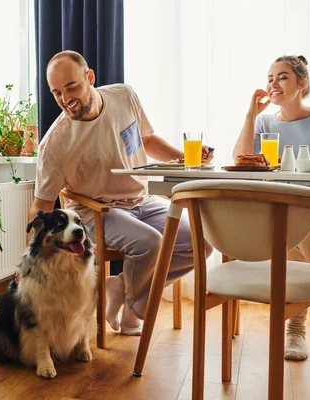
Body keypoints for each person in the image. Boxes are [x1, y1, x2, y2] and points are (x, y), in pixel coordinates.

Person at [28, 50, 213, 336]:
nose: (66, 99)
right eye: (56, 93)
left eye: (72, 87)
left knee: (202, 243)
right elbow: (40, 204)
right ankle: (134, 309)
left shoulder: (124, 96)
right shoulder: (56, 143)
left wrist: (186, 159)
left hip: (143, 199)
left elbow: (147, 139)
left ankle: (126, 295)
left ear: (90, 77)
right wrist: (28, 258)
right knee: (150, 243)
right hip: (96, 211)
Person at [233, 55, 310, 361]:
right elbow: (241, 162)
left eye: (282, 77)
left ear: (302, 84)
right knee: (286, 216)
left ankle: (295, 329)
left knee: (288, 219)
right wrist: (251, 115)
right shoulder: (263, 122)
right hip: (278, 214)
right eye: (270, 77)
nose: (273, 83)